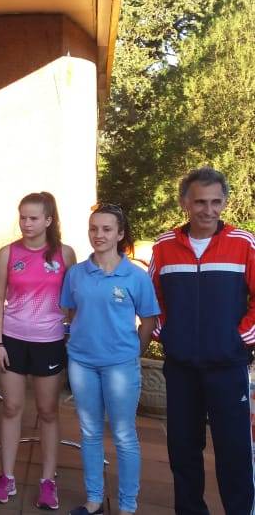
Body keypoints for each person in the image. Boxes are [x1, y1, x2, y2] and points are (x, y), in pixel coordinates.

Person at [150, 166, 255, 515]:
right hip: (181, 367)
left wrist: (240, 338)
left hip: (228, 366)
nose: (208, 210)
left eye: (215, 202)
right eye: (199, 202)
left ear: (224, 202)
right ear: (185, 203)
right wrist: (167, 334)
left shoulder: (243, 243)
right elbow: (152, 300)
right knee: (183, 449)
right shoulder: (165, 246)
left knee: (234, 451)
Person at [61, 204, 159, 515]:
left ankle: (127, 505)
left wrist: (131, 353)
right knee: (89, 432)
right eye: (94, 228)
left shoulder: (136, 276)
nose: (99, 234)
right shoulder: (76, 274)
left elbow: (148, 321)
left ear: (119, 234)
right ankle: (94, 500)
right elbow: (71, 313)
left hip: (120, 366)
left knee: (123, 434)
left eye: (106, 229)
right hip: (82, 363)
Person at [0, 192, 76, 509]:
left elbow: (73, 300)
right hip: (12, 340)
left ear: (48, 220)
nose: (26, 223)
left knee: (48, 411)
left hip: (49, 341)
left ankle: (48, 481)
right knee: (11, 407)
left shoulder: (65, 254)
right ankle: (7, 477)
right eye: (22, 217)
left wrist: (72, 335)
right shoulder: (7, 253)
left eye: (33, 218)